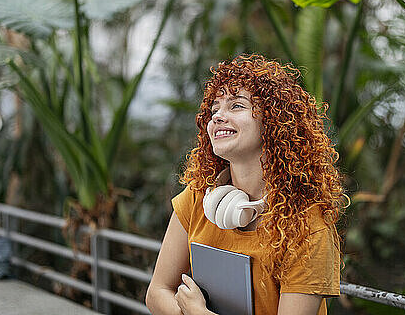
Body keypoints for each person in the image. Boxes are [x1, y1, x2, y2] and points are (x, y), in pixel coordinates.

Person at [145, 54, 347, 315]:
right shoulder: (198, 197)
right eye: (215, 108)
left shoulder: (308, 228)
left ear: (274, 122)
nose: (217, 116)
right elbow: (157, 292)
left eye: (236, 106)